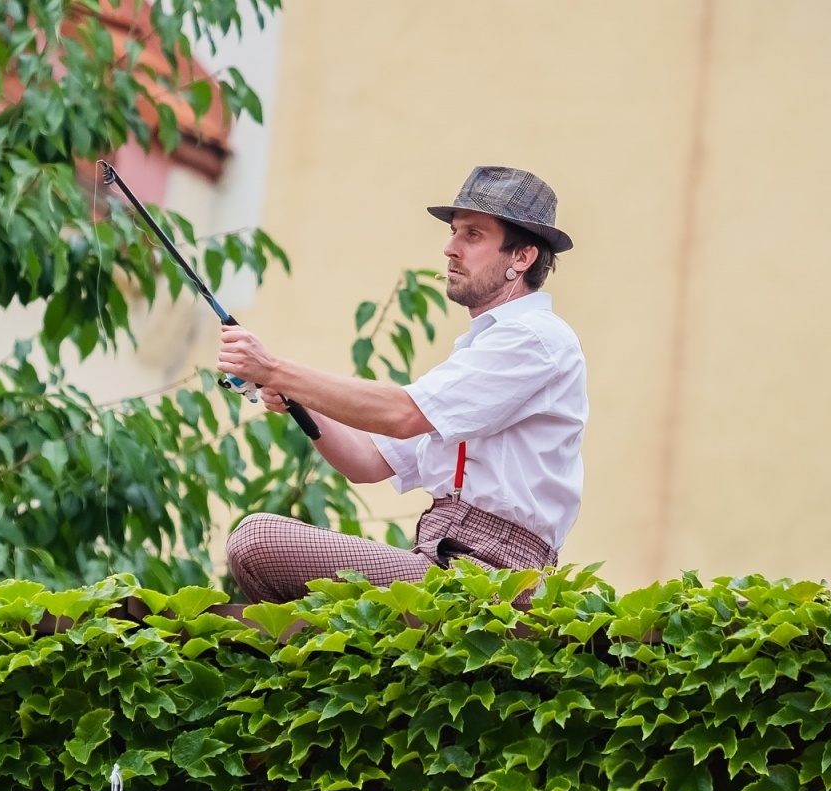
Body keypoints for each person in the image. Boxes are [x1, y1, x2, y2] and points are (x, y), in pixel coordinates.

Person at [218, 165, 588, 604]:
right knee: (267, 555)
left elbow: (402, 414)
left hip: (495, 576)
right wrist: (300, 398)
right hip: (448, 563)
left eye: (472, 235)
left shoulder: (534, 337)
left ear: (521, 257)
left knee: (258, 538)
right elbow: (367, 462)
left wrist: (275, 370)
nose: (450, 249)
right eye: (454, 232)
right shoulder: (483, 353)